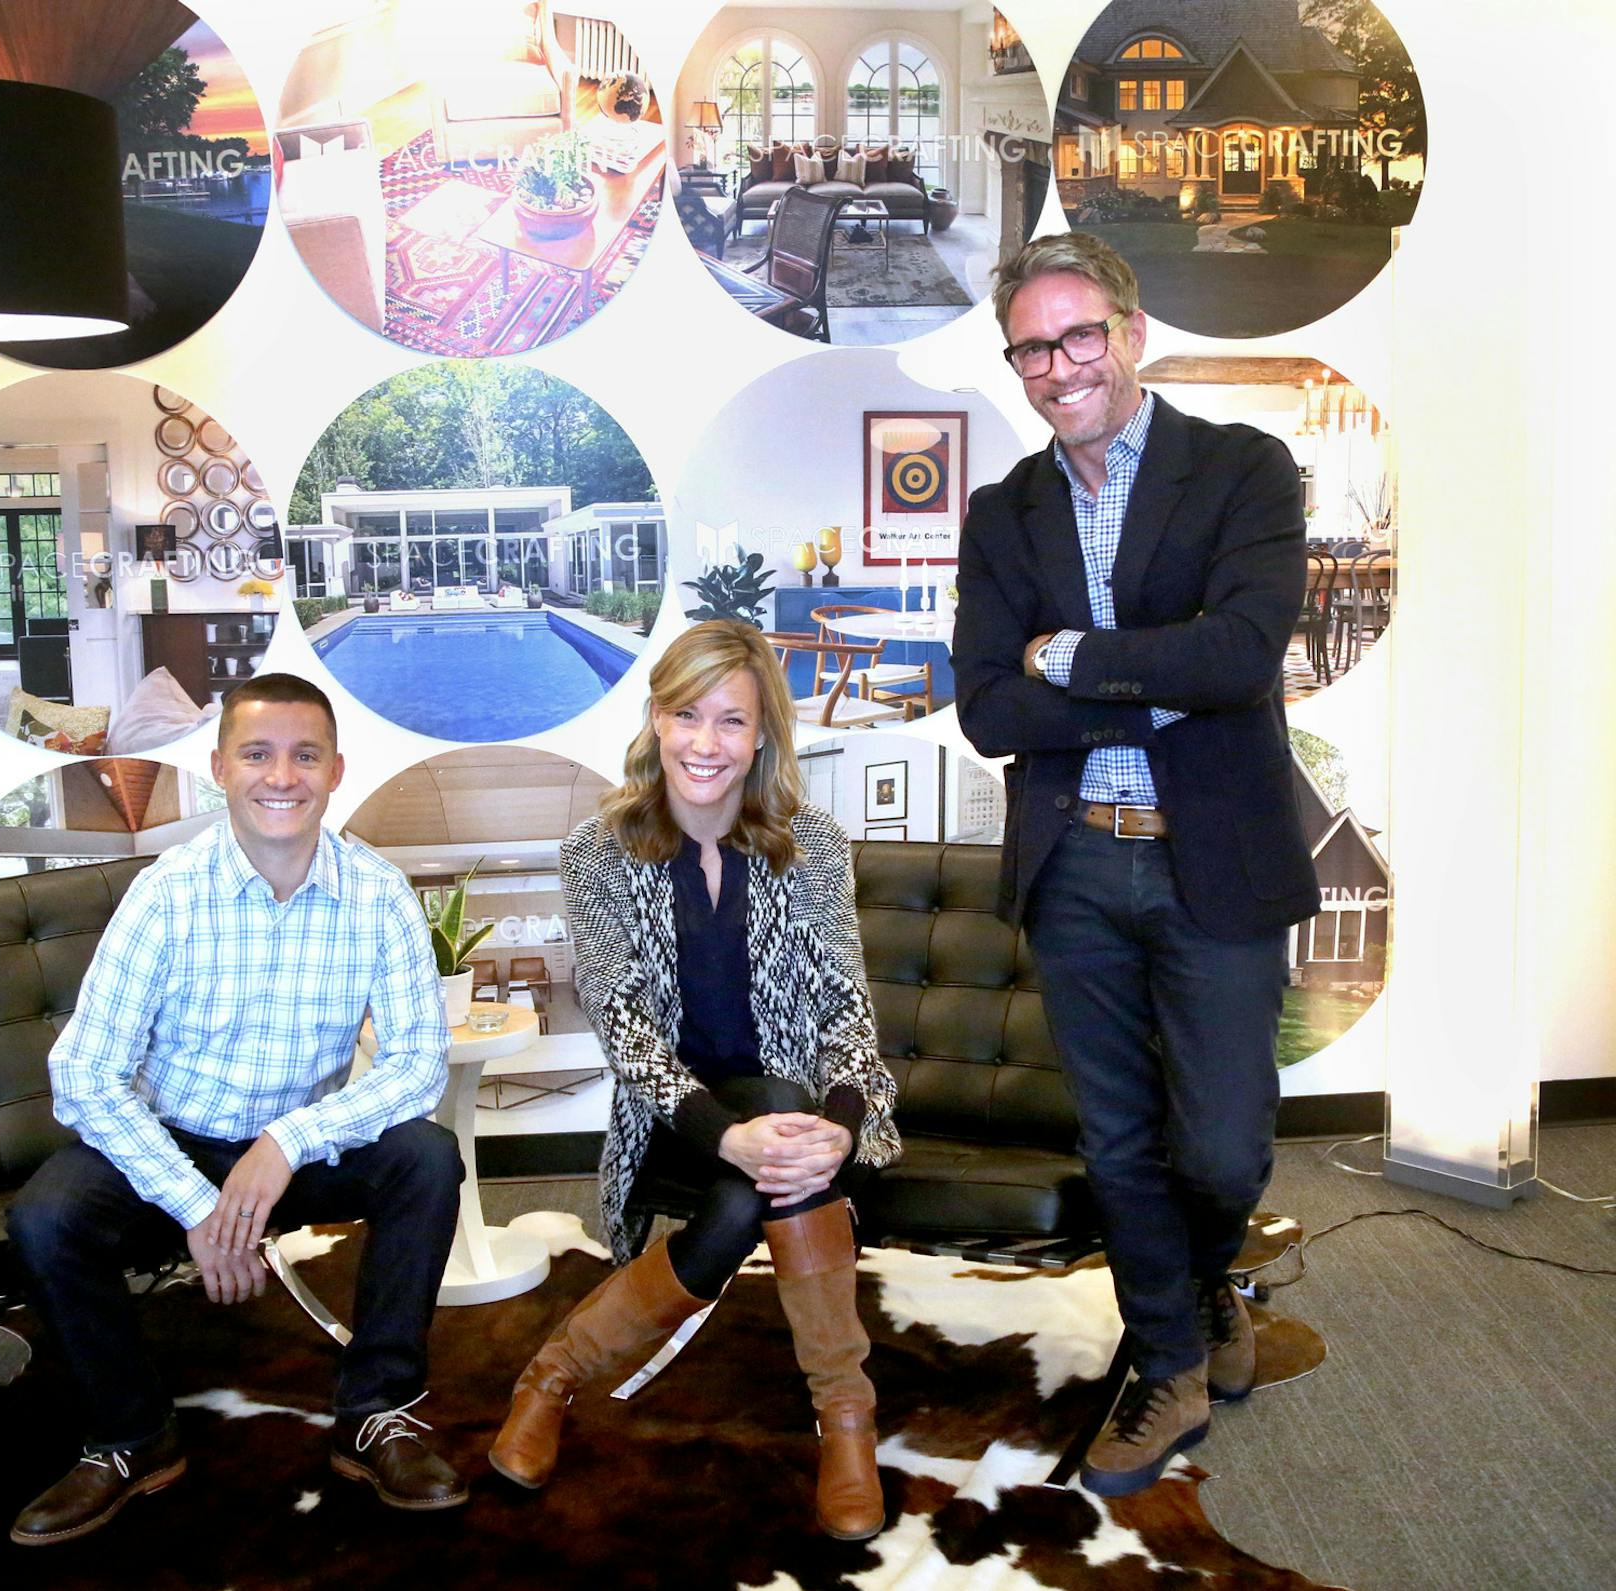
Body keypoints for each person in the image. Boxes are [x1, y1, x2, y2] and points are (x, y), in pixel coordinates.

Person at [950, 232, 1319, 1497]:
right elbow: (991, 712)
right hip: (1077, 872)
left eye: (1079, 336)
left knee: (1218, 1148)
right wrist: (1147, 683)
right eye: (1032, 348)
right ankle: (1169, 1361)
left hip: (1211, 860)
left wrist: (1072, 659)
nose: (1058, 368)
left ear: (1132, 330)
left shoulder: (1242, 472)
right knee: (1118, 1143)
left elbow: (1239, 660)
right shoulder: (1005, 513)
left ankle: (1201, 1286)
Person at [4, 672, 467, 1546]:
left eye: (304, 755)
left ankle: (377, 1412)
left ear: (336, 770)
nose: (280, 776)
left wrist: (289, 1141)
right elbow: (86, 1075)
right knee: (45, 1215)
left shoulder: (378, 894)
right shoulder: (167, 894)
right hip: (173, 1142)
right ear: (220, 766)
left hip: (300, 1150)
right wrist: (198, 1206)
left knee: (427, 1157)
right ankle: (130, 1435)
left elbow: (415, 1065)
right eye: (257, 753)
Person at [486, 619, 900, 1541]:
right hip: (671, 1112)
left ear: (761, 737)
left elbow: (846, 1006)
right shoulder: (598, 852)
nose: (706, 743)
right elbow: (622, 1027)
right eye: (686, 715)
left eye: (730, 721)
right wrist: (725, 1132)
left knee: (779, 1146)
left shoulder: (814, 846)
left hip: (797, 1115)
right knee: (769, 1151)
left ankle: (554, 1375)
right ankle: (845, 1414)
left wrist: (839, 1120)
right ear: (656, 721)